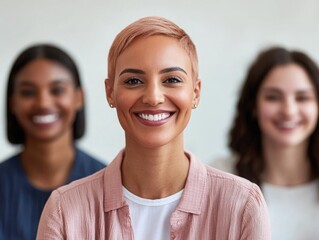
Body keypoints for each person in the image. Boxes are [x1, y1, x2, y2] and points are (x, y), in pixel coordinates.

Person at [37, 16, 270, 240]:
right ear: (110, 93)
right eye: (133, 81)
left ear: (195, 92)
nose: (153, 97)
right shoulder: (65, 211)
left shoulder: (242, 205)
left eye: (172, 80)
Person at [0, 44, 106, 240]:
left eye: (57, 90)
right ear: (12, 102)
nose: (43, 103)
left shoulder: (109, 187)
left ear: (78, 98)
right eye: (28, 93)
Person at [212, 46, 319, 240]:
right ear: (253, 106)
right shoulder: (219, 178)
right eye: (273, 97)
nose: (289, 110)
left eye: (302, 97)